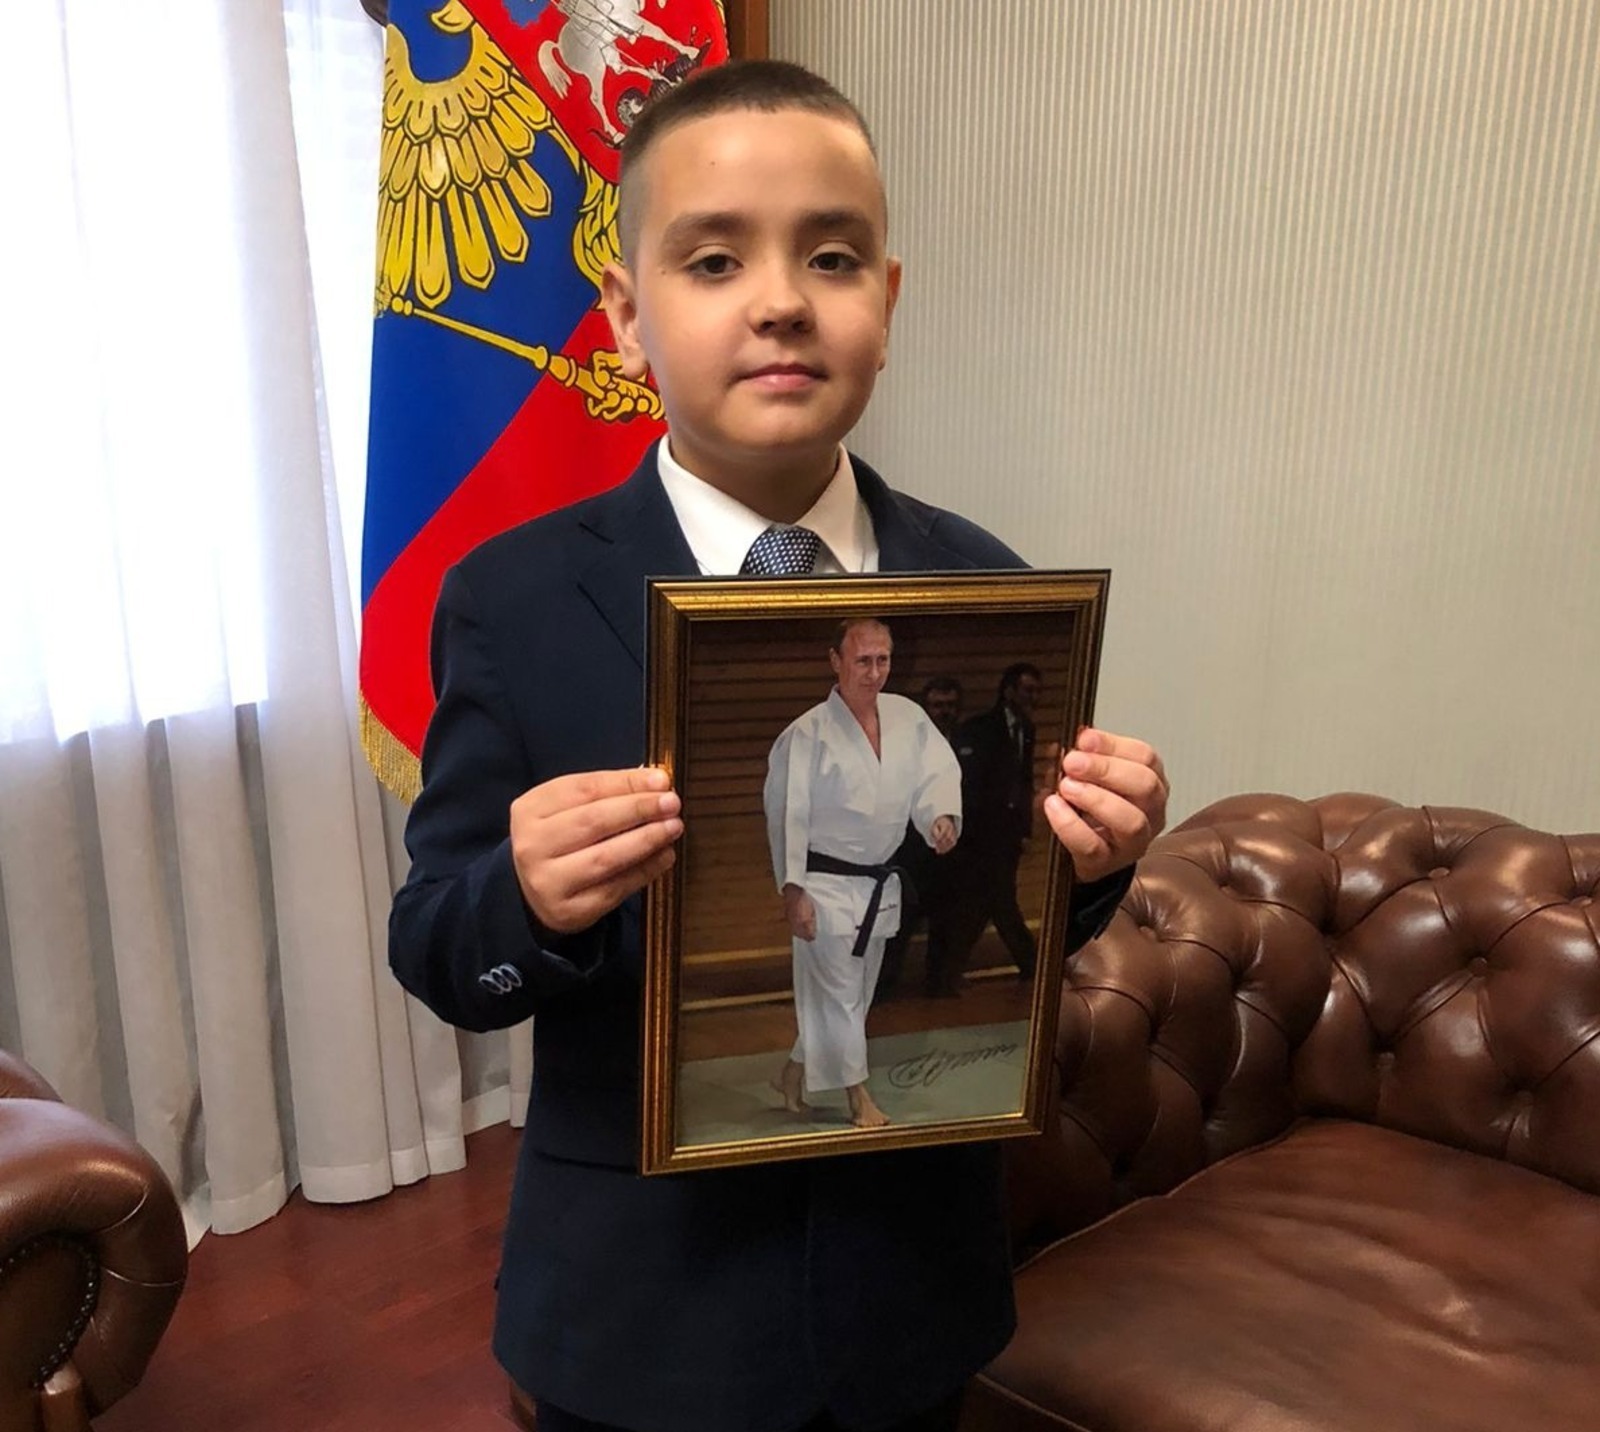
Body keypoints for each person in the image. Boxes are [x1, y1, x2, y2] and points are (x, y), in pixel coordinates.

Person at [388, 59, 1170, 1432]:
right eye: (712, 260)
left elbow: (1014, 888)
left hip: (910, 1288)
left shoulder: (985, 582)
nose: (781, 300)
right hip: (639, 1309)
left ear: (888, 302)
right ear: (626, 314)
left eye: (832, 256)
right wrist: (525, 895)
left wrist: (1096, 859)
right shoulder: (511, 600)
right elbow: (441, 948)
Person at [765, 620, 960, 1129]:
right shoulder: (806, 734)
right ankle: (859, 1099)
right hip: (822, 884)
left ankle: (792, 1075)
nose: (874, 673)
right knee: (840, 996)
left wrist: (938, 815)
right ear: (835, 661)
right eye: (862, 661)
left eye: (883, 660)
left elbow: (936, 773)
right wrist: (792, 890)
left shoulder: (908, 718)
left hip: (877, 886)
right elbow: (788, 815)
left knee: (853, 995)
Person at [947, 663, 1046, 981]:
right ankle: (1031, 965)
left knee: (989, 902)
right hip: (981, 832)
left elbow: (1024, 782)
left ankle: (948, 972)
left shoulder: (1027, 729)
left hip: (1007, 834)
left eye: (1037, 691)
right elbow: (971, 784)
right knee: (996, 902)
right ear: (1009, 691)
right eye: (1027, 690)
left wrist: (1024, 829)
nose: (1033, 697)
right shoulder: (980, 728)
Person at [877, 676, 964, 998]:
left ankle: (939, 984)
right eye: (937, 706)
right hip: (910, 852)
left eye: (950, 706)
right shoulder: (905, 746)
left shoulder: (969, 741)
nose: (944, 712)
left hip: (954, 853)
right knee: (900, 923)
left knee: (946, 923)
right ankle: (884, 986)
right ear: (925, 708)